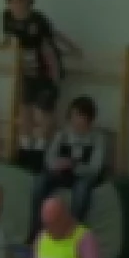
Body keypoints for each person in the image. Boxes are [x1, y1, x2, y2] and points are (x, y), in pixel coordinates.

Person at [0, 0, 71, 167]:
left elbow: (54, 35)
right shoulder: (7, 17)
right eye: (12, 1)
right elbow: (8, 36)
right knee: (25, 109)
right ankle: (25, 148)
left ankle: (40, 151)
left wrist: (72, 47)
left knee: (45, 111)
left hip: (47, 69)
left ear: (28, 0)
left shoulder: (38, 19)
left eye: (20, 0)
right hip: (27, 70)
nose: (16, 4)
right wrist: (4, 43)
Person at [29, 97, 106, 238]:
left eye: (79, 116)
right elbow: (49, 158)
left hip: (82, 176)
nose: (75, 120)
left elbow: (96, 168)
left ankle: (72, 235)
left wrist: (75, 166)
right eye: (73, 116)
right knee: (40, 182)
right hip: (61, 173)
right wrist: (57, 165)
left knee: (82, 191)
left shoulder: (97, 138)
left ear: (88, 119)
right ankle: (36, 232)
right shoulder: (63, 133)